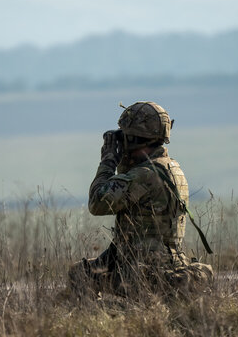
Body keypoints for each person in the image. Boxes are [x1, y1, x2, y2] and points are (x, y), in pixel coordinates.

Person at [68, 101, 213, 298]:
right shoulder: (171, 168)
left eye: (125, 136)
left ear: (135, 138)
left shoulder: (145, 175)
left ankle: (101, 320)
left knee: (80, 275)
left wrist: (108, 161)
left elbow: (97, 203)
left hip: (146, 273)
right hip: (166, 264)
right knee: (88, 270)